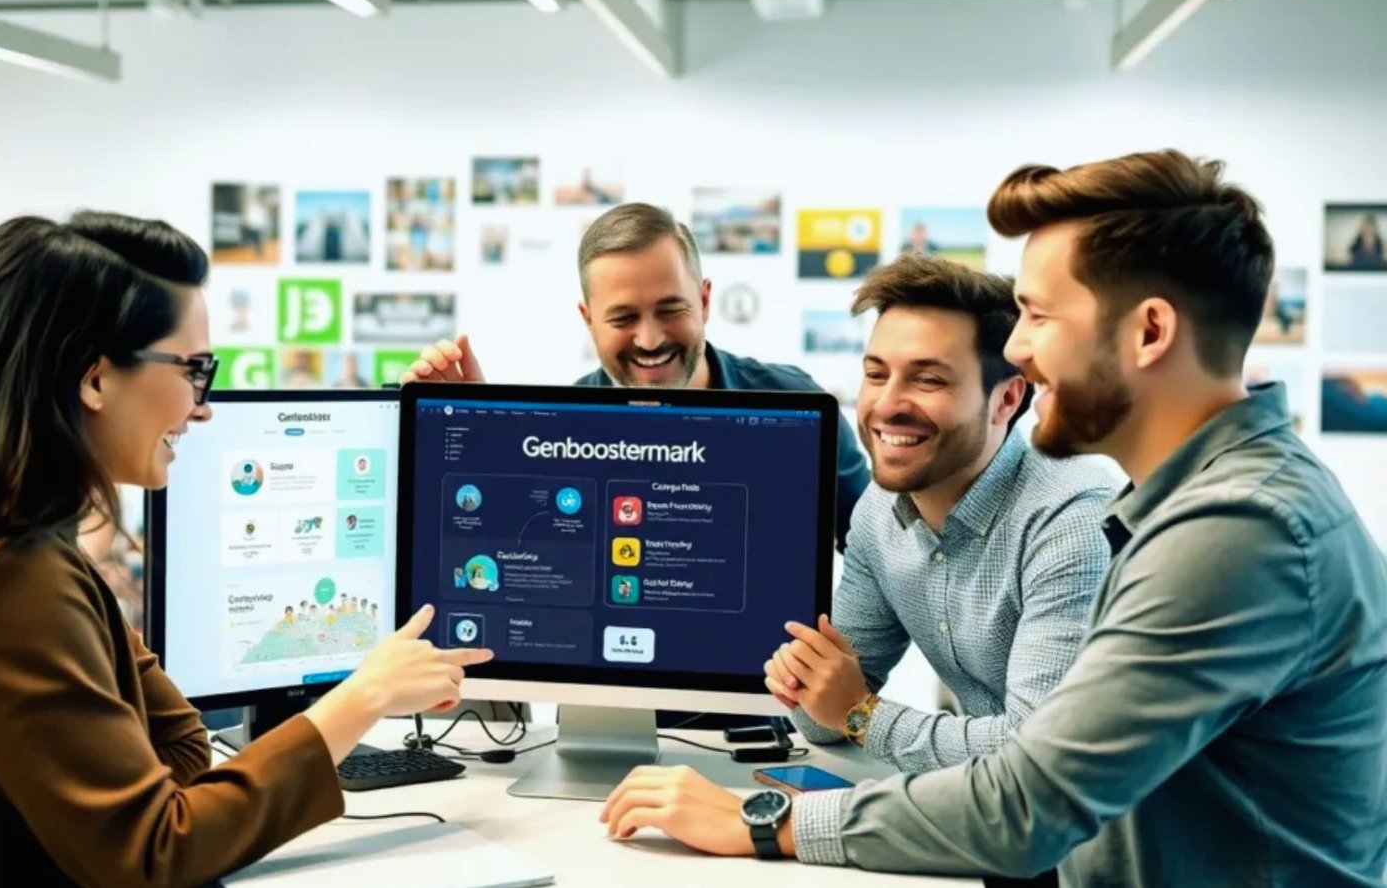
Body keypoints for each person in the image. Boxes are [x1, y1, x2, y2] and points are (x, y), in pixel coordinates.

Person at [598, 150, 1387, 886]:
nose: (1020, 350)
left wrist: (766, 819)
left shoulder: (1239, 531)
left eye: (1040, 317)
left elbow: (1026, 803)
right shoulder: (1195, 503)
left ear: (1149, 331)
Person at [0, 212, 493, 885]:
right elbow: (152, 857)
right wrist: (360, 698)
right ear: (95, 378)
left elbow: (180, 753)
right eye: (193, 369)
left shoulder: (4, 536)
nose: (203, 405)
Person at [762, 257, 1114, 877]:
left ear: (1007, 397)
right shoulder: (878, 512)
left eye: (927, 380)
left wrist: (860, 712)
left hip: (1091, 858)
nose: (887, 405)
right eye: (876, 374)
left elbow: (1031, 763)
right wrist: (806, 682)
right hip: (990, 837)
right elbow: (821, 721)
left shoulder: (1069, 520)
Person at [400, 202, 871, 555]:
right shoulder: (557, 427)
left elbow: (877, 551)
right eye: (623, 317)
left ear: (705, 302)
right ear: (588, 319)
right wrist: (471, 432)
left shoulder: (796, 406)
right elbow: (504, 554)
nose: (649, 340)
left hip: (763, 683)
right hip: (602, 682)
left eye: (670, 310)